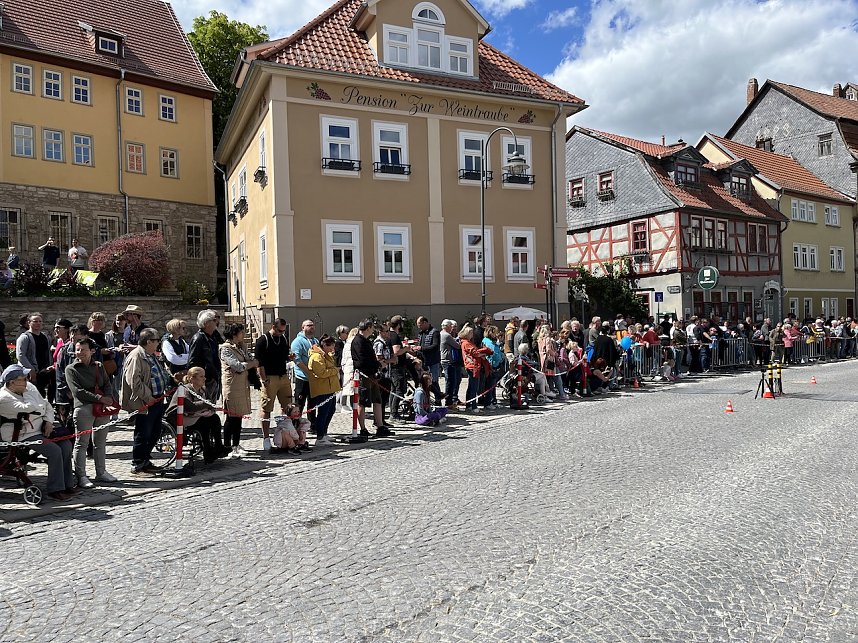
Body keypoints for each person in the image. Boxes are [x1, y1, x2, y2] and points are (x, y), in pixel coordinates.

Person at [0, 364, 76, 501]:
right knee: (54, 451)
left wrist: (48, 422)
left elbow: (46, 405)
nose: (27, 381)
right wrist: (29, 394)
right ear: (12, 382)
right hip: (23, 434)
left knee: (66, 445)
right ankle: (55, 489)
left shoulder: (27, 387)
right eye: (23, 379)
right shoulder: (4, 397)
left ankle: (67, 484)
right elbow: (29, 407)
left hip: (41, 427)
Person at [65, 338, 118, 488]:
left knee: (100, 443)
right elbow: (77, 391)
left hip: (101, 408)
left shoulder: (98, 366)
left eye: (83, 349)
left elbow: (107, 383)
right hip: (84, 408)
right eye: (77, 349)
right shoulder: (71, 369)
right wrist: (100, 398)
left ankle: (101, 472)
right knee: (82, 443)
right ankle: (81, 476)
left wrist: (108, 397)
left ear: (92, 351)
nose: (79, 352)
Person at [121, 328, 170, 475]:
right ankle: (137, 464)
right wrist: (149, 398)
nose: (158, 343)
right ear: (148, 341)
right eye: (156, 340)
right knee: (143, 433)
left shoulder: (150, 355)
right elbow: (134, 382)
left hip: (157, 399)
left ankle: (146, 461)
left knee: (154, 432)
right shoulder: (137, 356)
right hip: (146, 402)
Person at [166, 367, 228, 464]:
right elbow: (190, 407)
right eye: (201, 376)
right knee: (204, 423)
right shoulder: (185, 389)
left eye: (204, 376)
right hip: (181, 417)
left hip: (196, 415)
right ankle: (208, 451)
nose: (205, 379)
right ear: (192, 379)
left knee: (214, 418)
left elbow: (209, 404)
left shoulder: (203, 389)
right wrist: (207, 404)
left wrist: (211, 409)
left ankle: (218, 446)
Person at [255, 318, 294, 451]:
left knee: (288, 406)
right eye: (279, 330)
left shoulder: (283, 339)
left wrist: (290, 358)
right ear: (273, 326)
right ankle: (266, 438)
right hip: (270, 377)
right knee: (266, 408)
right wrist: (264, 379)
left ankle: (284, 434)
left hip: (283, 376)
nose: (281, 333)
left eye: (283, 331)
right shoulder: (263, 340)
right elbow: (259, 363)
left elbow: (285, 356)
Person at [219, 323, 257, 457]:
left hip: (242, 386)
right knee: (231, 417)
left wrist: (250, 362)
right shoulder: (226, 349)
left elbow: (250, 359)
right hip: (232, 386)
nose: (243, 334)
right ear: (234, 334)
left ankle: (236, 444)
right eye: (241, 332)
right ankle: (228, 446)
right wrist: (251, 364)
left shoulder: (241, 347)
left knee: (239, 417)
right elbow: (237, 366)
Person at [351, 319, 390, 437]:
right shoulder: (357, 341)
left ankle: (380, 426)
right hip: (363, 375)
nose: (373, 330)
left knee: (377, 400)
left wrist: (377, 365)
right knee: (362, 402)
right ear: (367, 328)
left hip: (372, 374)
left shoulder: (366, 341)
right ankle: (363, 429)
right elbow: (362, 360)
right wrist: (377, 364)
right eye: (372, 328)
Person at [308, 335, 340, 446]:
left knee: (330, 410)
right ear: (325, 345)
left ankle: (324, 433)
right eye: (331, 346)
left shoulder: (326, 355)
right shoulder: (317, 357)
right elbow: (321, 373)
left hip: (330, 388)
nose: (333, 348)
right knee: (323, 413)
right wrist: (335, 370)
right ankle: (320, 437)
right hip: (322, 389)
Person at [16, 312, 54, 398]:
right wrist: (31, 369)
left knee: (42, 395)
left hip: (44, 371)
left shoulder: (45, 337)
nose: (38, 323)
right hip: (30, 373)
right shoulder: (24, 337)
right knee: (30, 395)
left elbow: (47, 353)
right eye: (35, 321)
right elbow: (20, 355)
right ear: (29, 322)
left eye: (40, 321)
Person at [188, 309, 222, 402]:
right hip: (204, 380)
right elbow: (192, 361)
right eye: (214, 320)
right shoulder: (198, 338)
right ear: (207, 323)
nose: (217, 322)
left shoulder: (213, 337)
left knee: (211, 407)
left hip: (213, 378)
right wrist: (199, 379)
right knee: (203, 408)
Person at [291, 319, 319, 429]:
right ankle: (295, 425)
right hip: (302, 378)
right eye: (309, 325)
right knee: (299, 403)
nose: (311, 327)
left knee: (313, 403)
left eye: (312, 325)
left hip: (313, 379)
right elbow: (295, 358)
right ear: (303, 328)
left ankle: (312, 424)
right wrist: (308, 371)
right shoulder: (297, 342)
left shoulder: (315, 341)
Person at [459, 325, 492, 412]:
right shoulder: (466, 343)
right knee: (474, 387)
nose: (472, 334)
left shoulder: (466, 342)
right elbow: (475, 353)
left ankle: (469, 405)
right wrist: (483, 353)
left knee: (471, 386)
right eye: (470, 333)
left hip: (471, 365)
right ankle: (473, 406)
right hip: (472, 366)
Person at [416, 316, 442, 406]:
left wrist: (422, 348)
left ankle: (438, 400)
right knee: (425, 381)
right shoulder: (421, 333)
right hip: (423, 361)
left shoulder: (435, 332)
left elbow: (435, 346)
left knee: (434, 381)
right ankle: (426, 400)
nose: (419, 327)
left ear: (425, 323)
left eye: (420, 325)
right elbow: (419, 343)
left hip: (433, 361)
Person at [87, 312, 118, 379]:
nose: (100, 322)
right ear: (92, 321)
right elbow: (87, 349)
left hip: (106, 364)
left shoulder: (101, 334)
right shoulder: (88, 335)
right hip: (94, 364)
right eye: (98, 320)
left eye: (102, 320)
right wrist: (100, 351)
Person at [440, 319, 461, 409]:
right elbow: (457, 346)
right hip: (448, 361)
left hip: (444, 360)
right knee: (450, 382)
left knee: (450, 381)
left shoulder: (440, 334)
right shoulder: (447, 335)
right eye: (450, 326)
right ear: (447, 326)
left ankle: (450, 401)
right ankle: (449, 403)